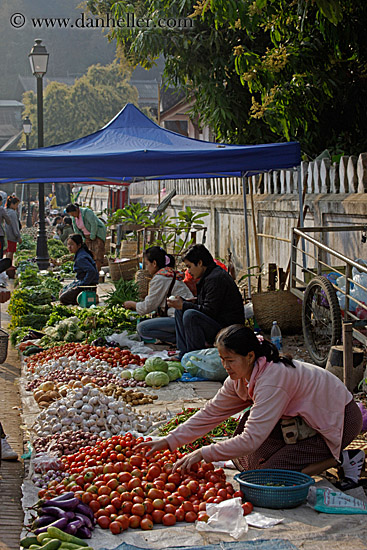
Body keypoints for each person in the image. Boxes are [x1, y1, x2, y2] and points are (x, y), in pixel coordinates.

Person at [136, 325, 365, 490]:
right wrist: (169, 440)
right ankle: (315, 457)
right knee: (250, 463)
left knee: (270, 477)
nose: (225, 366)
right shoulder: (240, 378)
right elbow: (211, 413)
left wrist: (202, 453)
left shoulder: (273, 379)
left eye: (231, 360)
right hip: (302, 420)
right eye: (222, 359)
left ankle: (343, 459)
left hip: (337, 420)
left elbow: (251, 440)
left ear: (250, 356)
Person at [167, 244, 245, 360]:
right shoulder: (209, 275)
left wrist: (185, 305)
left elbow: (209, 311)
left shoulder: (216, 278)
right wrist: (188, 303)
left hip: (228, 330)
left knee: (190, 315)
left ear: (199, 263)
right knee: (181, 310)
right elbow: (209, 303)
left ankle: (195, 358)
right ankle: (184, 354)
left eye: (189, 267)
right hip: (217, 322)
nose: (188, 271)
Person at [123, 246, 193, 344]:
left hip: (180, 319)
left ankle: (181, 340)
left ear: (154, 263)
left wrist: (132, 304)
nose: (146, 268)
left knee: (142, 328)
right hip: (185, 318)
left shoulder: (160, 278)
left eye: (147, 264)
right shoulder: (168, 274)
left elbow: (147, 307)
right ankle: (179, 338)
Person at [59, 234, 99, 305]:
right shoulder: (80, 254)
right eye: (68, 244)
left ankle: (89, 298)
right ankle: (89, 297)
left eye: (72, 245)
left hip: (88, 286)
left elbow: (91, 271)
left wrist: (82, 284)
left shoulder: (81, 258)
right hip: (82, 282)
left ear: (79, 245)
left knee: (63, 298)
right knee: (63, 290)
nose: (69, 247)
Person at [65, 203, 106, 272]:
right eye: (70, 214)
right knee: (89, 254)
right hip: (86, 237)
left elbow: (94, 224)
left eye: (73, 213)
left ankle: (97, 272)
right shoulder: (74, 218)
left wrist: (92, 236)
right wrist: (82, 239)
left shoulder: (87, 212)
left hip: (97, 234)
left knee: (98, 254)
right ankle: (91, 271)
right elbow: (76, 230)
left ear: (76, 210)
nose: (72, 216)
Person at [4, 196, 22, 264]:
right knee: (10, 252)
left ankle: (5, 267)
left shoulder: (5, 210)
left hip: (6, 235)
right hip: (12, 236)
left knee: (7, 251)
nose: (17, 207)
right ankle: (9, 266)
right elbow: (15, 226)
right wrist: (18, 236)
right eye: (16, 205)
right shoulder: (12, 213)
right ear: (12, 204)